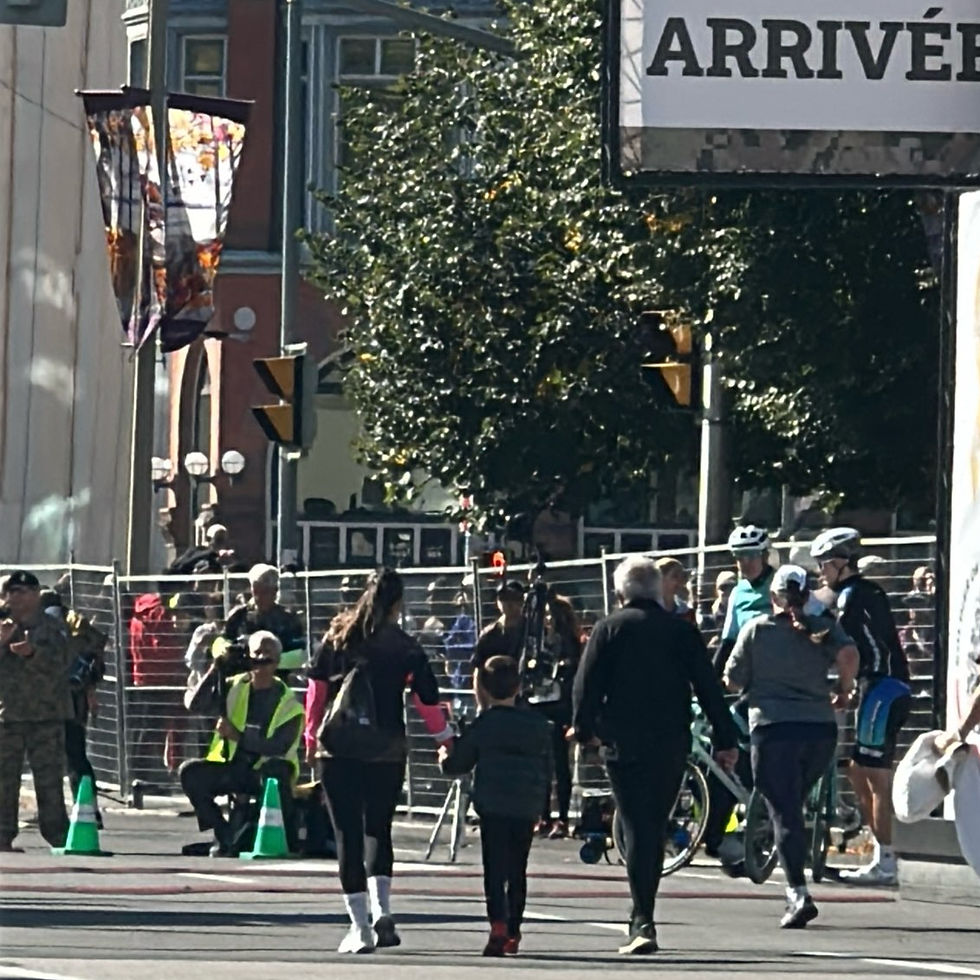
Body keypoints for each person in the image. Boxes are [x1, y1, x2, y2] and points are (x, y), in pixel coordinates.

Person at [571, 556, 739, 955]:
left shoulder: (608, 628)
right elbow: (708, 687)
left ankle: (641, 917)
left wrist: (584, 728)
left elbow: (585, 685)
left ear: (620, 592)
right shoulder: (680, 631)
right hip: (670, 740)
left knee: (636, 825)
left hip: (623, 740)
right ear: (657, 589)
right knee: (654, 823)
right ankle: (642, 912)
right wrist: (725, 737)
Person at [304, 568, 450, 954]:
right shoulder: (405, 647)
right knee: (378, 830)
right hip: (387, 748)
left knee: (346, 835)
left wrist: (310, 736)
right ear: (399, 603)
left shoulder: (338, 637)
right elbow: (427, 701)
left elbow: (316, 690)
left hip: (339, 747)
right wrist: (445, 740)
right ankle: (383, 910)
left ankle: (359, 927)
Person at [724, 565, 859, 928]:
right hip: (819, 728)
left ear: (773, 597)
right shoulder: (824, 628)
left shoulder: (757, 629)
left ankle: (798, 893)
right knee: (794, 802)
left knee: (784, 812)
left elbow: (733, 680)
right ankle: (799, 852)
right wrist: (843, 690)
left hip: (774, 728)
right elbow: (849, 655)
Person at [811, 526, 912, 885]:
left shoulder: (852, 597)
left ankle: (885, 862)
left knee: (876, 775)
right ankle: (880, 851)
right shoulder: (866, 591)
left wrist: (843, 684)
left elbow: (846, 647)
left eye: (824, 564)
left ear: (842, 562)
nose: (820, 571)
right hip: (880, 687)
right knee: (858, 769)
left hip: (882, 688)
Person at [440, 655, 553, 956]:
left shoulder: (484, 724)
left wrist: (445, 756)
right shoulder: (537, 725)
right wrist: (544, 806)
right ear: (518, 686)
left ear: (486, 689)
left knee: (495, 867)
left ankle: (498, 925)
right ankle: (514, 930)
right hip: (526, 802)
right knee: (518, 868)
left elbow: (459, 763)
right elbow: (549, 766)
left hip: (492, 802)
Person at [179, 630, 304, 857]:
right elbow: (195, 704)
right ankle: (224, 832)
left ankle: (283, 838)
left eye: (267, 654)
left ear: (277, 661)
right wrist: (217, 668)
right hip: (233, 766)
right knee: (190, 772)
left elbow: (277, 746)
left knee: (276, 771)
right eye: (257, 652)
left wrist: (237, 736)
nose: (261, 658)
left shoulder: (289, 704)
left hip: (264, 772)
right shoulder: (235, 686)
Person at [0, 571, 73, 851]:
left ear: (35, 594)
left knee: (49, 778)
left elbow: (64, 662)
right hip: (8, 714)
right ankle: (2, 834)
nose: (15, 598)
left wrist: (33, 653)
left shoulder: (52, 626)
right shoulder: (3, 625)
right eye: (11, 592)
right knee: (4, 779)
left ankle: (58, 834)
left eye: (22, 591)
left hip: (46, 714)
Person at [40, 589, 107, 827]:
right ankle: (89, 808)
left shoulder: (48, 623)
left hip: (52, 701)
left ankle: (60, 812)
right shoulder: (78, 625)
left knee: (53, 758)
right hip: (76, 701)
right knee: (76, 755)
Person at [531, 594, 582, 838]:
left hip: (560, 705)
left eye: (553, 615)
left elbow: (573, 673)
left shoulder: (570, 643)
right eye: (546, 615)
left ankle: (562, 817)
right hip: (538, 703)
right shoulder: (535, 641)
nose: (549, 619)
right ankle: (542, 816)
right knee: (540, 763)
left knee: (561, 763)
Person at [221, 564, 305, 674]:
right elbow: (222, 641)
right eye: (256, 591)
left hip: (278, 677)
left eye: (265, 592)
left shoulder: (288, 619)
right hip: (242, 676)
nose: (258, 597)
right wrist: (227, 651)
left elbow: (298, 655)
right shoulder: (238, 616)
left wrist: (265, 660)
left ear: (275, 591)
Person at [472, 580, 526, 708]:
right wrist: (483, 705)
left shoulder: (531, 630)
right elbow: (479, 671)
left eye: (514, 598)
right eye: (503, 598)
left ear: (521, 601)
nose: (508, 603)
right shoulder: (489, 634)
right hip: (496, 699)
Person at [655, 557, 696, 623]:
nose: (680, 580)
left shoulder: (687, 612)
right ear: (661, 578)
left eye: (682, 576)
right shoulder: (649, 609)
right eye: (675, 576)